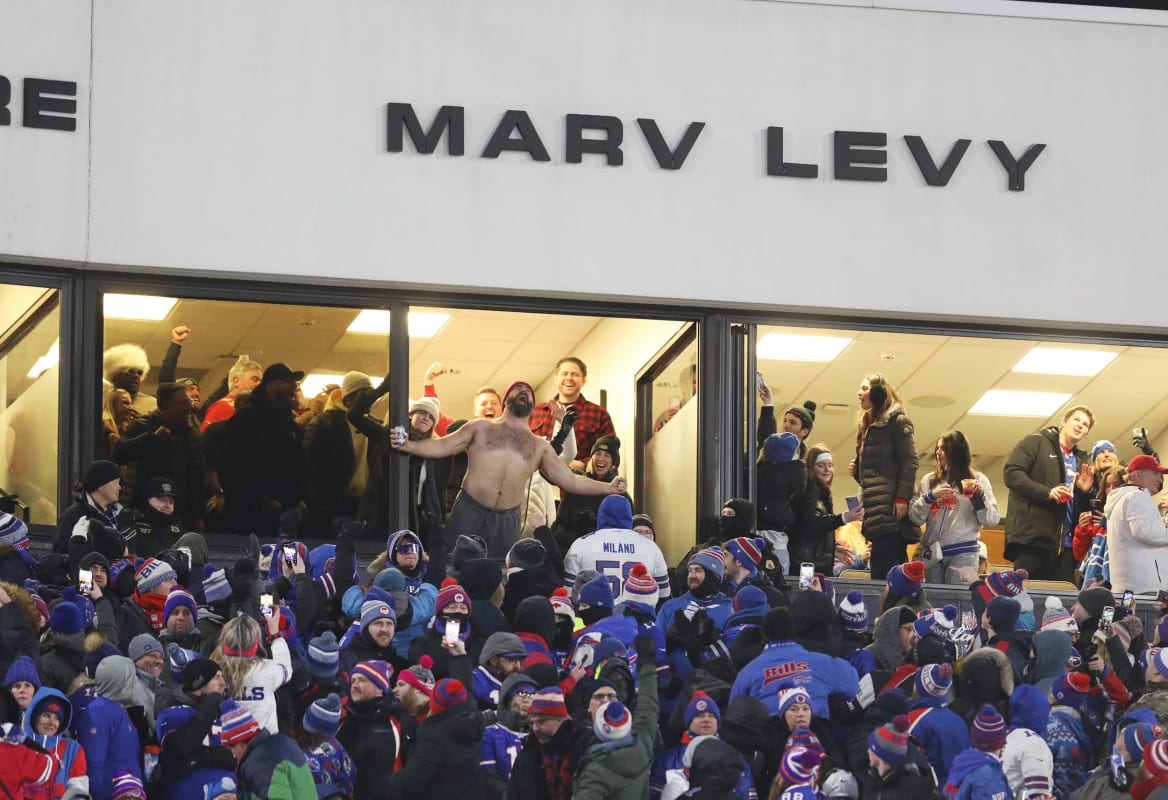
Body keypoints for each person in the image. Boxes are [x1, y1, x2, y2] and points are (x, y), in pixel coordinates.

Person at [391, 380, 627, 561]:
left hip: (508, 519)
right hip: (470, 509)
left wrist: (608, 487)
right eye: (518, 389)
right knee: (453, 565)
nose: (524, 391)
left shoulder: (539, 445)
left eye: (528, 391)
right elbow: (442, 446)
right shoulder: (479, 427)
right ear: (506, 399)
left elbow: (570, 480)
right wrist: (408, 444)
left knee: (499, 573)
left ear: (534, 407)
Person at [1003, 405, 1095, 581]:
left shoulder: (1082, 460)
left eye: (1085, 425)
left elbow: (1084, 510)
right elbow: (1011, 473)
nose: (1080, 425)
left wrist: (1085, 492)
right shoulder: (1036, 442)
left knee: (1060, 603)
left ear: (1086, 434)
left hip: (1067, 547)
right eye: (1076, 420)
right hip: (1033, 540)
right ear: (1064, 421)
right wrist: (1047, 492)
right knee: (1025, 597)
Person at [222, 362, 307, 537]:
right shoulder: (246, 419)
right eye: (288, 381)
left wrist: (299, 497)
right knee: (258, 560)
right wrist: (260, 497)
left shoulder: (287, 422)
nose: (294, 386)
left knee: (289, 562)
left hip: (288, 516)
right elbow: (234, 466)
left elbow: (298, 461)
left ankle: (289, 565)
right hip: (252, 520)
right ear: (271, 385)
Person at [572, 635, 658, 800]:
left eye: (611, 697)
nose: (606, 702)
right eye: (599, 697)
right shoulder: (642, 744)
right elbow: (649, 705)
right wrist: (647, 663)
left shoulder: (595, 770)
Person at [850, 373, 919, 580]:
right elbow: (874, 477)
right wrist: (858, 472)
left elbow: (910, 462)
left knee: (888, 573)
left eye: (864, 388)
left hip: (890, 513)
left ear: (878, 393)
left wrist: (901, 498)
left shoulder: (897, 422)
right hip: (876, 514)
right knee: (882, 572)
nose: (859, 393)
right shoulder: (867, 427)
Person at [908, 431, 1000, 584]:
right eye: (937, 448)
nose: (938, 452)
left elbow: (992, 519)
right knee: (935, 600)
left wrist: (979, 497)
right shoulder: (929, 481)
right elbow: (915, 518)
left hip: (963, 550)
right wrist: (930, 497)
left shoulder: (977, 479)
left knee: (957, 599)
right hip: (934, 551)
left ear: (956, 451)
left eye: (943, 448)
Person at [112, 382, 206, 531]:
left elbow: (198, 476)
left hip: (180, 514)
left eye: (190, 402)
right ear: (165, 405)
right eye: (184, 403)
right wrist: (151, 439)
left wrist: (198, 515)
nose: (189, 406)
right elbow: (118, 453)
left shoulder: (191, 434)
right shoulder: (142, 426)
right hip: (142, 510)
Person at [386, 678, 485, 800]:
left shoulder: (434, 737)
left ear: (434, 703)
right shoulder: (474, 727)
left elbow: (410, 783)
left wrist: (389, 784)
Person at [563, 494, 670, 601]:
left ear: (601, 513)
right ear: (629, 515)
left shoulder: (581, 544)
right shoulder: (650, 546)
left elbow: (568, 594)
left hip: (595, 615)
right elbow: (663, 594)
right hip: (637, 616)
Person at [337, 659, 414, 799]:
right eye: (353, 681)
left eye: (362, 680)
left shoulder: (399, 721)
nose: (355, 685)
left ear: (380, 688)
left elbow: (414, 767)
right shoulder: (343, 719)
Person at [528, 357, 615, 472]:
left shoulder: (599, 414)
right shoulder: (536, 412)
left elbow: (612, 455)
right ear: (556, 379)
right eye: (564, 374)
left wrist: (584, 465)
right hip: (539, 484)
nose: (569, 378)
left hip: (577, 484)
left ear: (584, 380)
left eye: (575, 374)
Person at [211, 612, 293, 734]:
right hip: (262, 745)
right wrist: (276, 636)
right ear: (256, 644)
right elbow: (286, 669)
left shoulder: (211, 670)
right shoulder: (266, 670)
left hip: (224, 744)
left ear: (224, 640)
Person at [219, 700, 316, 799]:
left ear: (240, 743)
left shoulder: (260, 763)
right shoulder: (282, 743)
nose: (233, 755)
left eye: (231, 748)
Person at [792, 445, 864, 576]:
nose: (827, 470)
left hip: (811, 563)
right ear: (810, 468)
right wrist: (844, 518)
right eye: (821, 465)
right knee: (808, 592)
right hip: (807, 565)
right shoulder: (809, 494)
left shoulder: (820, 494)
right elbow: (812, 524)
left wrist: (833, 548)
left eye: (830, 465)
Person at [1103, 454, 1168, 594]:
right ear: (1137, 475)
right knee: (1144, 617)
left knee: (1129, 615)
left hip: (1130, 588)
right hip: (1146, 587)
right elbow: (1144, 531)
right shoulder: (1136, 496)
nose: (1159, 478)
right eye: (1155, 473)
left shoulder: (1123, 498)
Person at [200, 356, 263, 433]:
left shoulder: (248, 407)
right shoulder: (225, 407)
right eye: (255, 379)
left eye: (261, 381)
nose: (259, 385)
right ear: (236, 380)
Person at [104, 343, 156, 415]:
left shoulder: (153, 405)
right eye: (131, 371)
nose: (136, 376)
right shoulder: (100, 400)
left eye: (140, 372)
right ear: (115, 376)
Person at [101, 388, 137, 461]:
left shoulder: (123, 431)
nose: (131, 408)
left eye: (131, 404)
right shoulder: (105, 430)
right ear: (113, 405)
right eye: (126, 403)